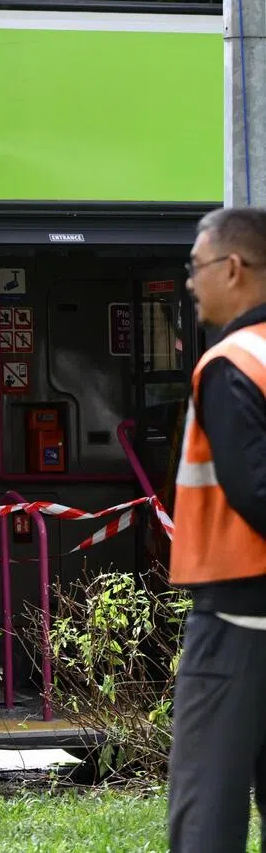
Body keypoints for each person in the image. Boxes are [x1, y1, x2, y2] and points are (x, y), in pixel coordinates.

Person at [168, 207, 266, 852]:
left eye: (197, 268)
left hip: (237, 620)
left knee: (208, 805)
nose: (190, 283)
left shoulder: (233, 361)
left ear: (233, 268)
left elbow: (254, 490)